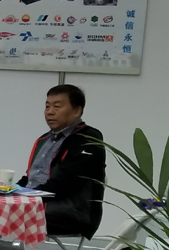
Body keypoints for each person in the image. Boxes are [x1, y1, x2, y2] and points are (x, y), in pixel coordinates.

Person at [19, 83, 105, 238]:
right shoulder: (44, 140)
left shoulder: (88, 138)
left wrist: (28, 197)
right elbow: (30, 178)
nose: (50, 112)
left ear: (77, 111)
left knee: (4, 217)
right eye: (47, 106)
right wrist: (9, 191)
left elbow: (67, 182)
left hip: (70, 213)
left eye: (57, 106)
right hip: (36, 204)